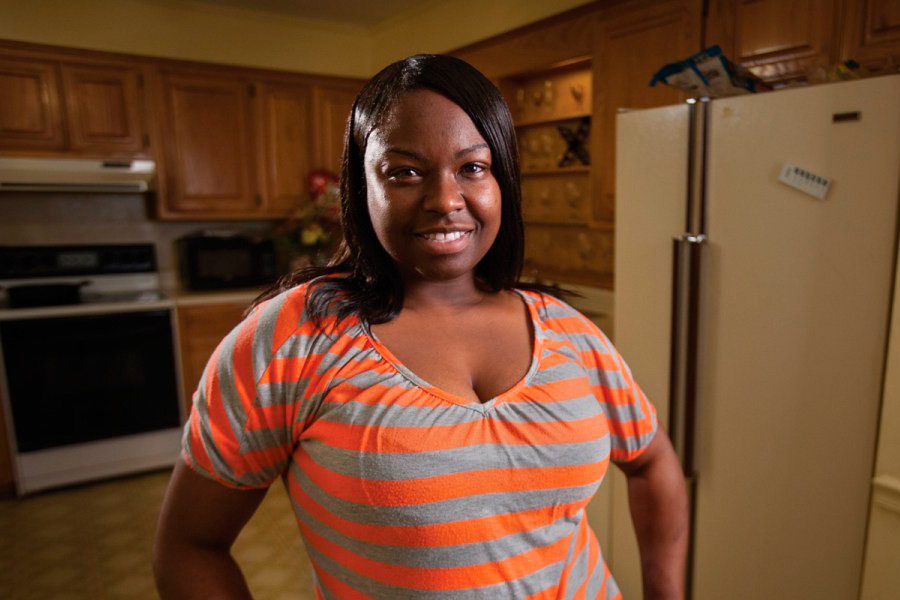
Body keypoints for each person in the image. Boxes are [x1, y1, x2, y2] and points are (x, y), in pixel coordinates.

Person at [153, 54, 688, 599]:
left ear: (502, 177)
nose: (445, 201)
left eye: (473, 168)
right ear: (361, 186)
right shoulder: (295, 336)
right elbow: (190, 545)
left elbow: (652, 461)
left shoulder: (566, 330)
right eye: (405, 172)